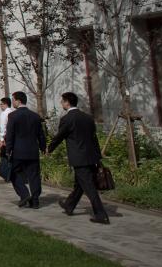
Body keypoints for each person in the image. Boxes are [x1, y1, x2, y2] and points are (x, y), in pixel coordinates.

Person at [47, 92, 109, 224]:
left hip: (79, 158)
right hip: (91, 156)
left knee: (88, 186)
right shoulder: (87, 117)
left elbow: (60, 136)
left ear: (67, 102)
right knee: (80, 184)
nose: (61, 103)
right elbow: (94, 138)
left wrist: (49, 148)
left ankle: (101, 214)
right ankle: (69, 205)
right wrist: (98, 156)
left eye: (62, 101)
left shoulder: (67, 119)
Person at [5, 91, 46, 208]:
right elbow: (41, 134)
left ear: (18, 101)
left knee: (13, 173)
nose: (12, 102)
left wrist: (8, 150)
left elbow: (10, 135)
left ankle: (24, 194)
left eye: (13, 100)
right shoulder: (35, 116)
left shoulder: (13, 116)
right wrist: (43, 147)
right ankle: (36, 200)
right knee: (34, 175)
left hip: (18, 151)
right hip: (33, 150)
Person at [0, 96, 14, 182]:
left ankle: (7, 175)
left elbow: (3, 127)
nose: (0, 106)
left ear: (6, 104)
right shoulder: (12, 112)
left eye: (1, 104)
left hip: (6, 138)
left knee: (5, 156)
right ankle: (10, 175)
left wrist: (1, 140)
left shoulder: (4, 114)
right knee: (11, 156)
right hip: (13, 138)